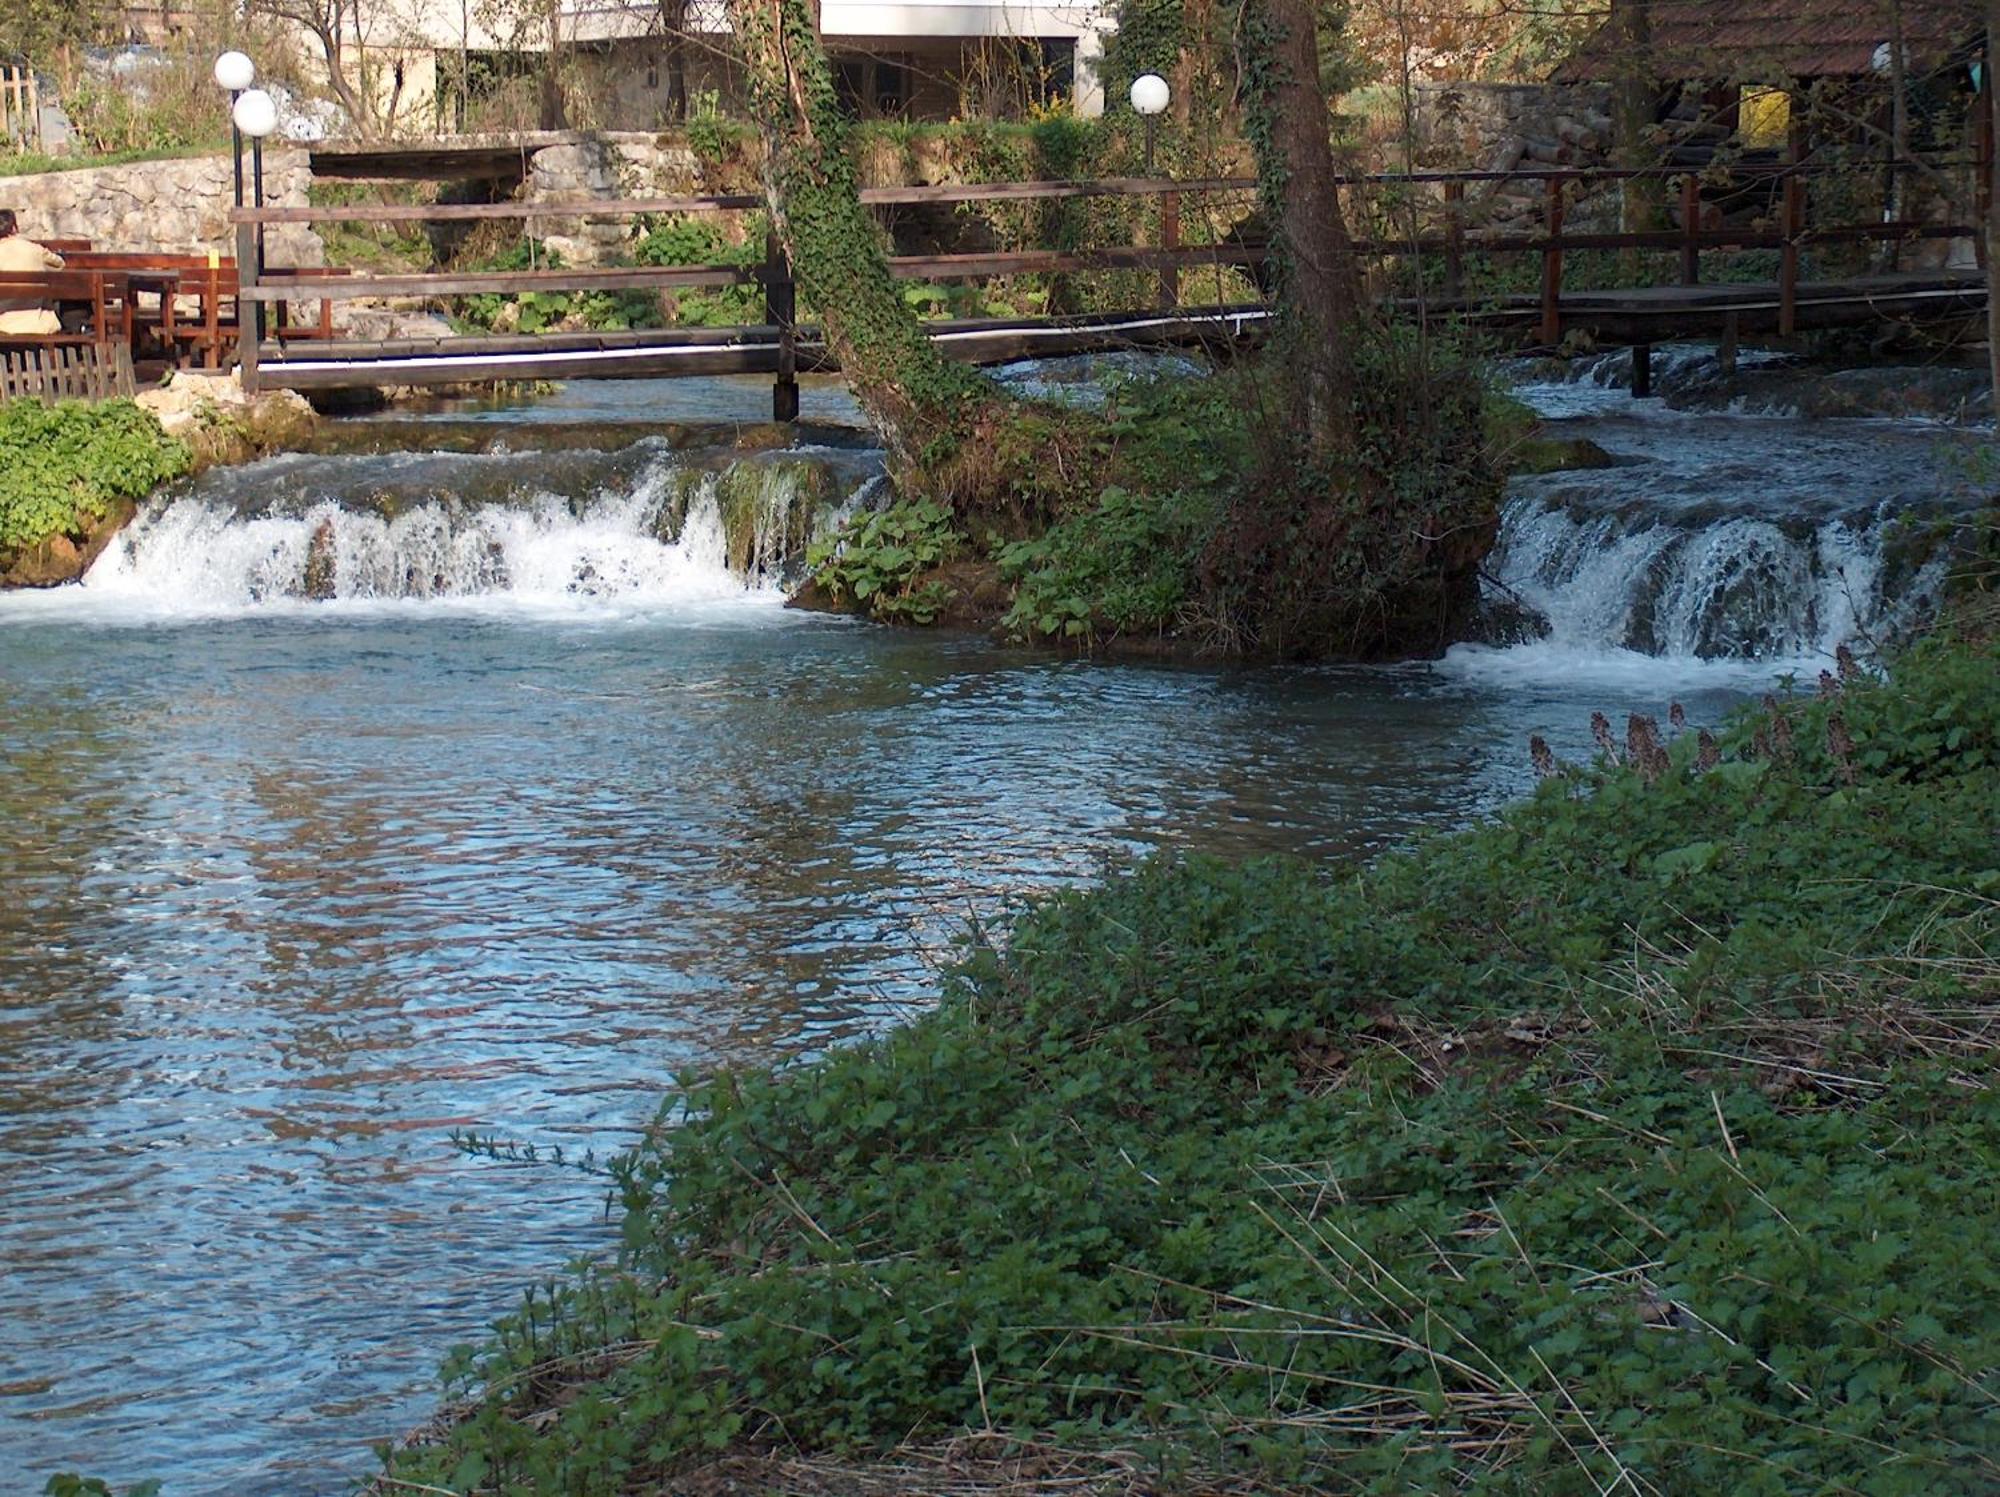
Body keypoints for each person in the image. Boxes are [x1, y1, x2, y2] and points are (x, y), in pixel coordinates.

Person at [0, 209, 64, 336]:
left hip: (3, 325)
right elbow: (60, 265)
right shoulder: (36, 250)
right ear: (14, 228)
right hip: (39, 324)